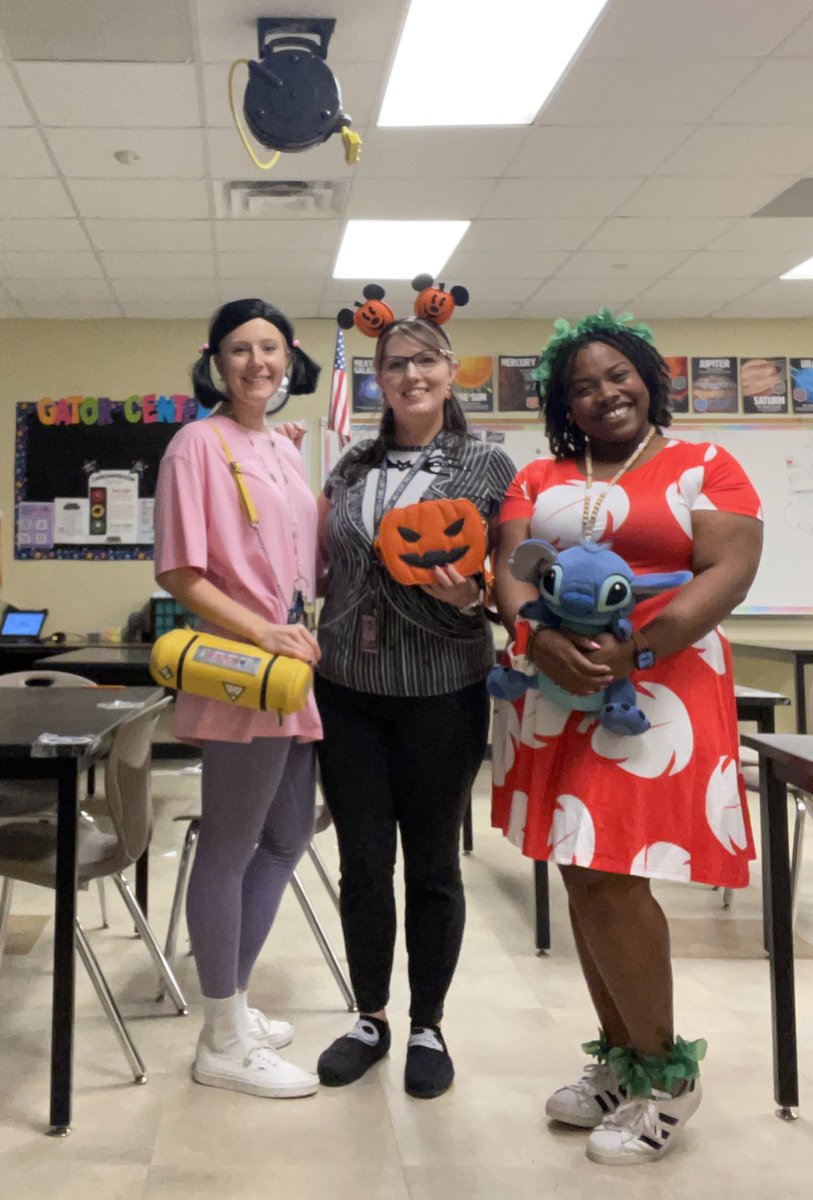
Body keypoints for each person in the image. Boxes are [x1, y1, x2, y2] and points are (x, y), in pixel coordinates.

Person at [491, 309, 763, 1164]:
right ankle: (619, 1061)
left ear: (648, 376)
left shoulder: (704, 465)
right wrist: (535, 640)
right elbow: (507, 568)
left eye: (617, 375)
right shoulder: (537, 474)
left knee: (611, 877)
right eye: (582, 385)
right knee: (580, 872)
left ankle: (666, 1074)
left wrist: (636, 647)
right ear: (562, 405)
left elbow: (729, 568)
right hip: (556, 690)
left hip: (660, 691)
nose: (604, 393)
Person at [314, 314, 516, 1098]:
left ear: (450, 368)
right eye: (393, 364)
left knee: (432, 866)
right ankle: (370, 1016)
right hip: (348, 695)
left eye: (424, 360)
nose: (409, 375)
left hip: (442, 692)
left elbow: (514, 587)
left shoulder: (488, 466)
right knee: (362, 864)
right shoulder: (351, 466)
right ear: (378, 379)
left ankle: (428, 1023)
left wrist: (479, 598)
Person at [153, 298, 323, 1100]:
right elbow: (182, 574)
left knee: (287, 840)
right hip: (244, 670)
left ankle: (235, 1006)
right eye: (240, 350)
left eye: (270, 348)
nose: (258, 362)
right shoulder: (196, 444)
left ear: (288, 357)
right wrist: (263, 632)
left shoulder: (282, 448)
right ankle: (220, 1037)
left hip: (291, 670)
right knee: (228, 847)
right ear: (215, 361)